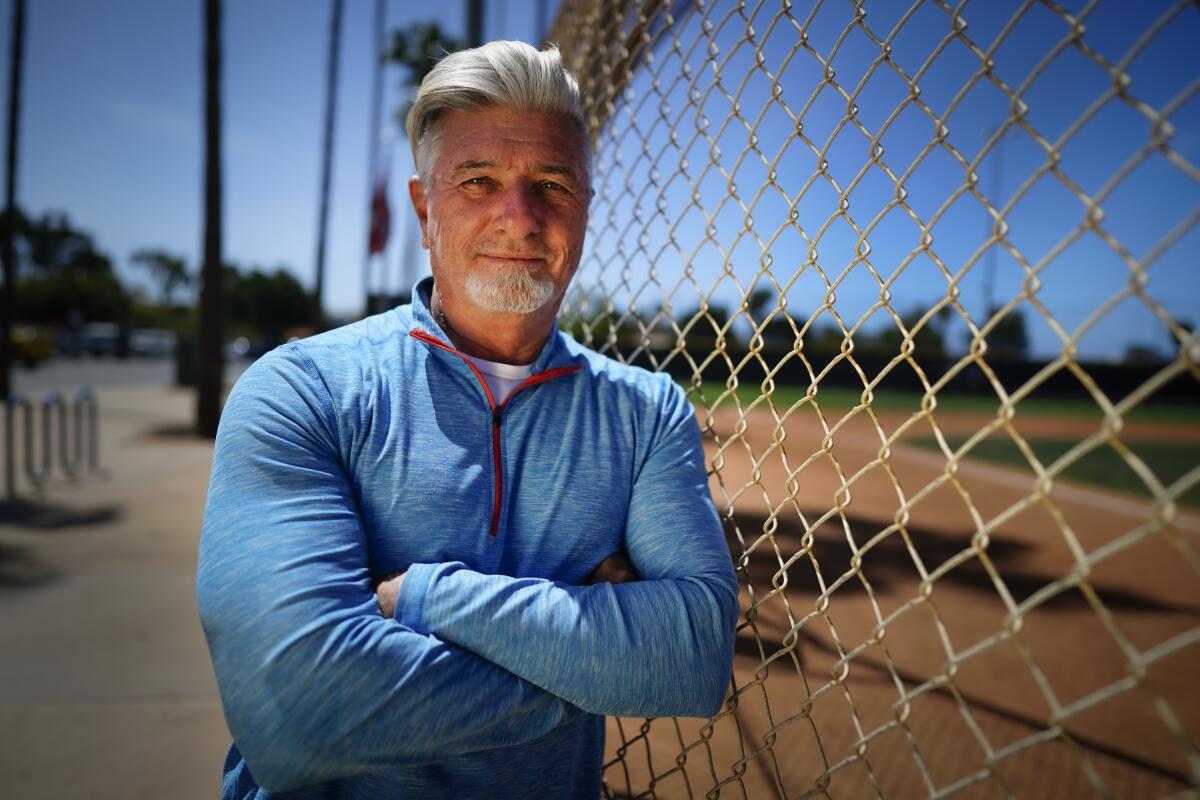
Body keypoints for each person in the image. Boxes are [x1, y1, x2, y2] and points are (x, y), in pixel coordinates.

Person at [196, 40, 738, 800]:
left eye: (553, 184)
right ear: (424, 207)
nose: (519, 218)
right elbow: (298, 711)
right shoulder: (301, 390)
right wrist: (598, 663)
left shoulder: (645, 413)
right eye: (478, 180)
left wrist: (420, 598)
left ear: (584, 207)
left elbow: (695, 657)